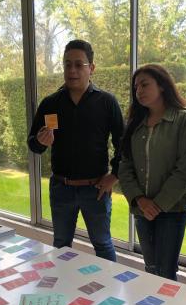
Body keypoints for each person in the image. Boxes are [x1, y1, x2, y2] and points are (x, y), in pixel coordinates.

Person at [28, 40, 124, 262]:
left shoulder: (107, 102)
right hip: (61, 187)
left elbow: (123, 143)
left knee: (102, 244)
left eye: (79, 65)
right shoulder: (50, 103)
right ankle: (62, 291)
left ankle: (108, 292)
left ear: (91, 68)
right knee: (61, 245)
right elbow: (33, 143)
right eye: (67, 64)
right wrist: (41, 141)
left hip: (96, 189)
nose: (72, 70)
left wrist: (114, 175)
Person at [119, 65, 186, 280]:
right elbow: (124, 164)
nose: (139, 91)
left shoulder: (185, 119)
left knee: (165, 271)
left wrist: (157, 204)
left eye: (145, 84)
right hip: (141, 208)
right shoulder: (134, 123)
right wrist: (139, 199)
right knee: (150, 268)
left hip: (172, 209)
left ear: (163, 86)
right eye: (136, 87)